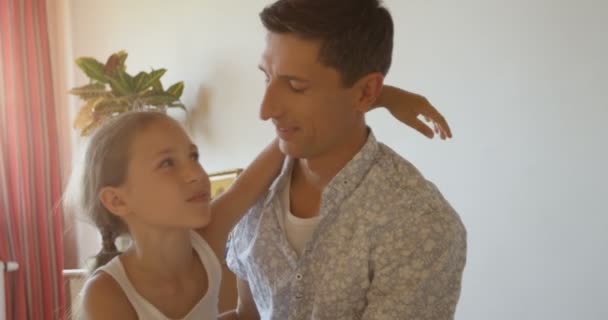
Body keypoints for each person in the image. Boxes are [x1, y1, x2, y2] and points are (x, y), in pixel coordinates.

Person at [68, 90, 451, 318]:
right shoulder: (106, 296)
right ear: (117, 199)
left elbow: (282, 149)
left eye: (194, 156)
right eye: (168, 164)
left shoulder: (207, 241)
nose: (195, 174)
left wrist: (374, 96)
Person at [224, 0, 467, 319]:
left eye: (296, 85)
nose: (265, 110)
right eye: (266, 78)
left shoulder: (419, 222)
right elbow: (246, 315)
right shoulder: (253, 198)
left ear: (366, 93)